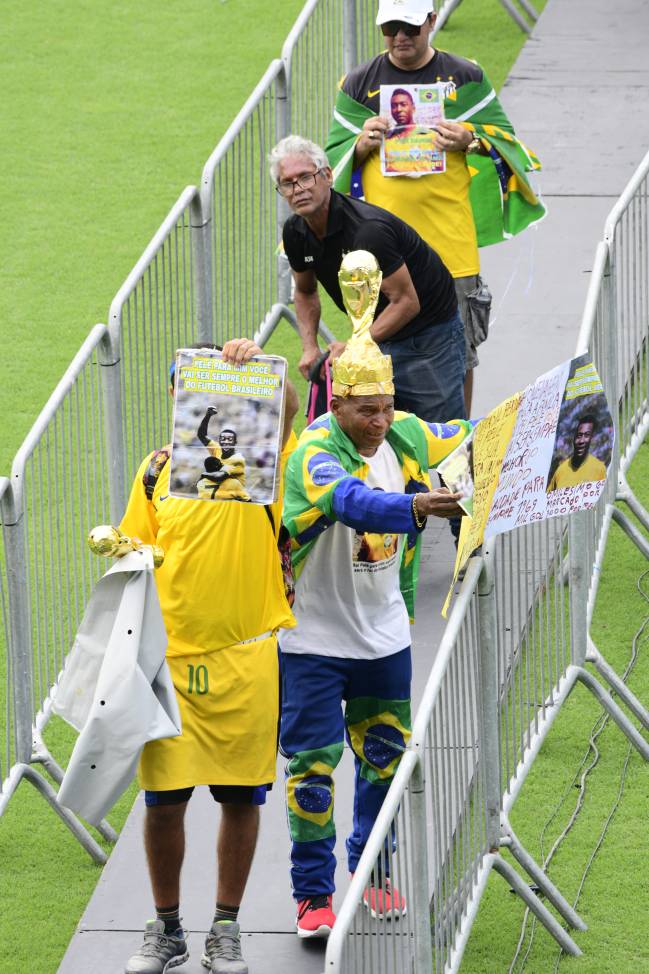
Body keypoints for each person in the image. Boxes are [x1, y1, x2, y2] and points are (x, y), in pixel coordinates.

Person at [279, 250, 473, 938]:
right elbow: (352, 502)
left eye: (388, 407)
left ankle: (375, 871)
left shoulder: (406, 434)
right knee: (310, 770)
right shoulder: (315, 451)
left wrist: (539, 426)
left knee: (383, 758)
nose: (381, 422)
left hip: (383, 637)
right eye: (367, 410)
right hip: (308, 641)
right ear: (338, 403)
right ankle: (312, 895)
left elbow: (466, 436)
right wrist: (419, 508)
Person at [121, 338, 298, 974]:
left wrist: (256, 368)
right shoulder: (156, 471)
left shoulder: (262, 463)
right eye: (187, 387)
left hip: (245, 662)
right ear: (175, 397)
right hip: (170, 667)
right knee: (163, 801)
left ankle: (225, 925)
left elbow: (291, 409)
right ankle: (166, 927)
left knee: (240, 798)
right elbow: (134, 553)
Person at [325, 0, 545, 414]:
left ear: (431, 20)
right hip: (384, 257)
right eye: (390, 27)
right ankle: (397, 457)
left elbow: (507, 141)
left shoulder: (466, 77)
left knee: (458, 358)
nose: (400, 37)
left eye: (409, 26)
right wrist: (358, 145)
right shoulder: (358, 84)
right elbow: (330, 161)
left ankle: (458, 451)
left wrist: (471, 139)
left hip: (451, 251)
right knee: (380, 355)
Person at [269, 134, 466, 427]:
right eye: (288, 183)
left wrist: (355, 345)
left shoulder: (367, 231)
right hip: (376, 335)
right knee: (377, 436)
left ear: (327, 176)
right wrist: (309, 345)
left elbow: (407, 303)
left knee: (442, 438)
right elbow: (306, 291)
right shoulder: (295, 233)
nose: (298, 189)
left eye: (306, 178)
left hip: (427, 337)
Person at [197, 410, 250, 500]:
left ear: (235, 442)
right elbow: (201, 435)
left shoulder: (237, 460)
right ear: (219, 441)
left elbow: (219, 477)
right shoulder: (217, 449)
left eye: (229, 439)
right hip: (219, 494)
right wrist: (208, 416)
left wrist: (204, 474)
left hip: (235, 497)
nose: (226, 442)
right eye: (223, 439)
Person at [547, 414, 606, 491]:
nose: (581, 441)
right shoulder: (560, 471)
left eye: (587, 435)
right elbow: (547, 499)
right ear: (573, 438)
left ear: (592, 439)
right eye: (579, 435)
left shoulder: (599, 469)